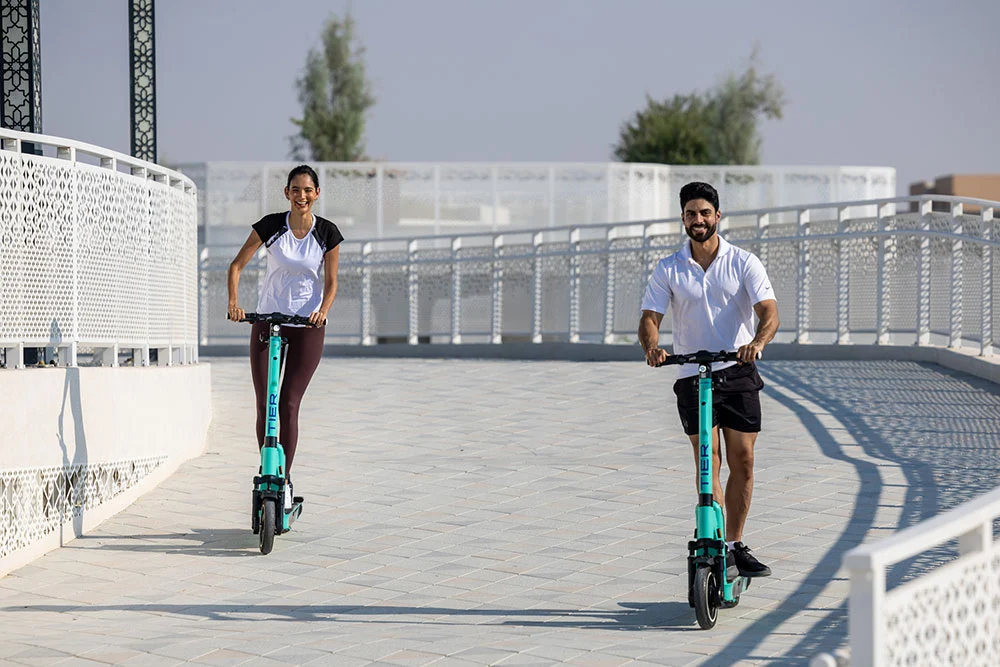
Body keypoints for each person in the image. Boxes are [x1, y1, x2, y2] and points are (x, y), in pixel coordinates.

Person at [638, 181, 779, 578]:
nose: (697, 220)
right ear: (682, 218)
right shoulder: (669, 267)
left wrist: (757, 341)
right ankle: (714, 542)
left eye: (704, 213)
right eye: (689, 214)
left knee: (744, 461)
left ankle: (734, 544)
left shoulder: (743, 262)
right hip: (691, 374)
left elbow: (769, 311)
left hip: (737, 371)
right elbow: (650, 318)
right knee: (707, 463)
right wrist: (653, 347)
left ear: (717, 216)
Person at [227, 164, 343, 510]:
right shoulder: (271, 226)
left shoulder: (327, 233)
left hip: (307, 324)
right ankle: (269, 467)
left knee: (289, 403)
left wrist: (323, 309)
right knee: (266, 403)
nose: (301, 196)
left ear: (316, 194)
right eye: (295, 190)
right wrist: (235, 303)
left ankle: (284, 479)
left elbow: (333, 282)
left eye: (308, 190)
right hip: (267, 320)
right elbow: (236, 265)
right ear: (286, 193)